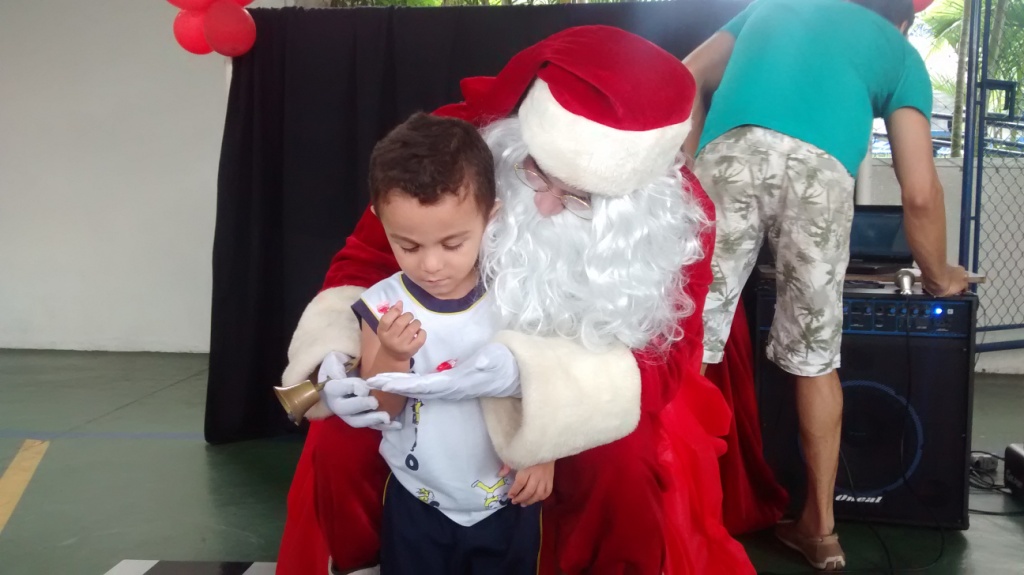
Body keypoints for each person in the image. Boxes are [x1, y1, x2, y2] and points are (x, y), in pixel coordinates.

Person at [275, 26, 754, 575]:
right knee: (339, 440)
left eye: (579, 197)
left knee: (617, 469)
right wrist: (336, 355)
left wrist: (535, 388)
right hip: (426, 358)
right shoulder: (460, 150)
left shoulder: (678, 218)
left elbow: (664, 362)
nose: (546, 206)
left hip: (593, 379)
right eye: (536, 173)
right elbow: (365, 259)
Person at [683, 0, 968, 570]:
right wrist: (940, 277)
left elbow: (687, 73)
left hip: (729, 156)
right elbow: (919, 191)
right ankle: (820, 530)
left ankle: (681, 517)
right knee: (815, 360)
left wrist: (688, 159)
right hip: (821, 176)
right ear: (906, 20)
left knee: (690, 344)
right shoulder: (900, 53)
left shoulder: (771, 7)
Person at [335, 112, 546, 574]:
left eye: (452, 244)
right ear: (381, 221)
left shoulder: (517, 294)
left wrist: (543, 453)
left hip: (508, 500)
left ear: (491, 216)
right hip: (417, 500)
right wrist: (393, 355)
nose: (430, 265)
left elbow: (547, 384)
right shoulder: (383, 306)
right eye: (408, 246)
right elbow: (380, 409)